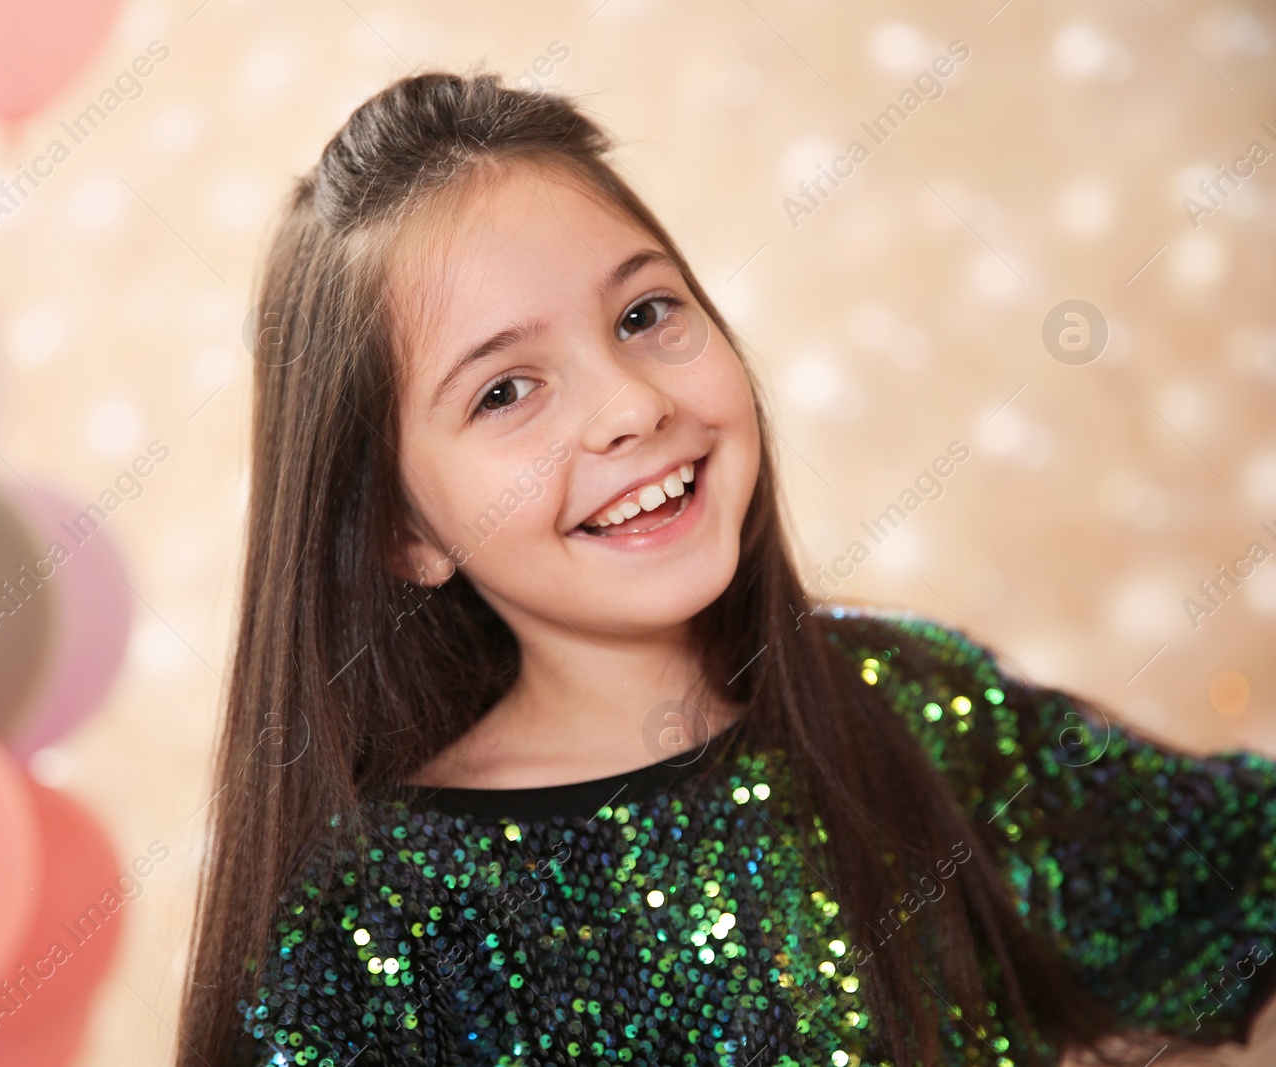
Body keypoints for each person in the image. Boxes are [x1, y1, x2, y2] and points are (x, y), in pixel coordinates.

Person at [175, 72, 1276, 1066]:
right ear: (398, 531)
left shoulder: (921, 705)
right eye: (504, 390)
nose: (631, 405)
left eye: (644, 314)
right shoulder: (377, 925)